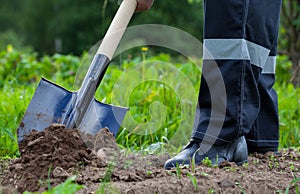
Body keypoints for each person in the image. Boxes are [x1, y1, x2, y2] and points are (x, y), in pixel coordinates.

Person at [136, 0, 282, 169]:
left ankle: (221, 134)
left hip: (225, 128)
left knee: (227, 9)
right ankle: (256, 132)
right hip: (255, 127)